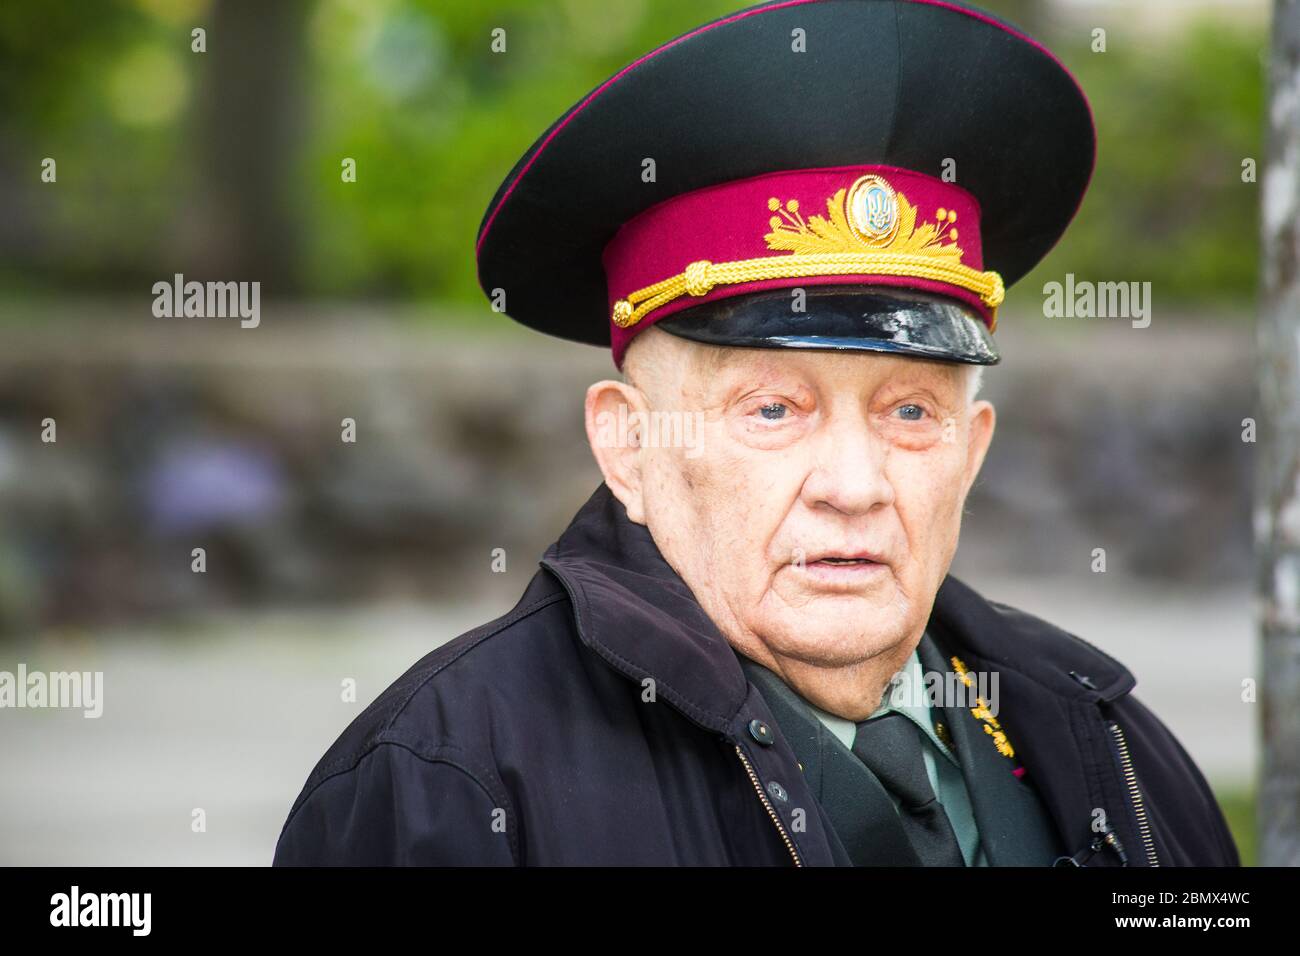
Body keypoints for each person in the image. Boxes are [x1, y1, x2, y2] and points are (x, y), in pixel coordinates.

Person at [273, 0, 1239, 866]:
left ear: (972, 449)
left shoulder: (1104, 737)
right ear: (629, 448)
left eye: (911, 412)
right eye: (774, 409)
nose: (855, 485)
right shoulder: (450, 788)